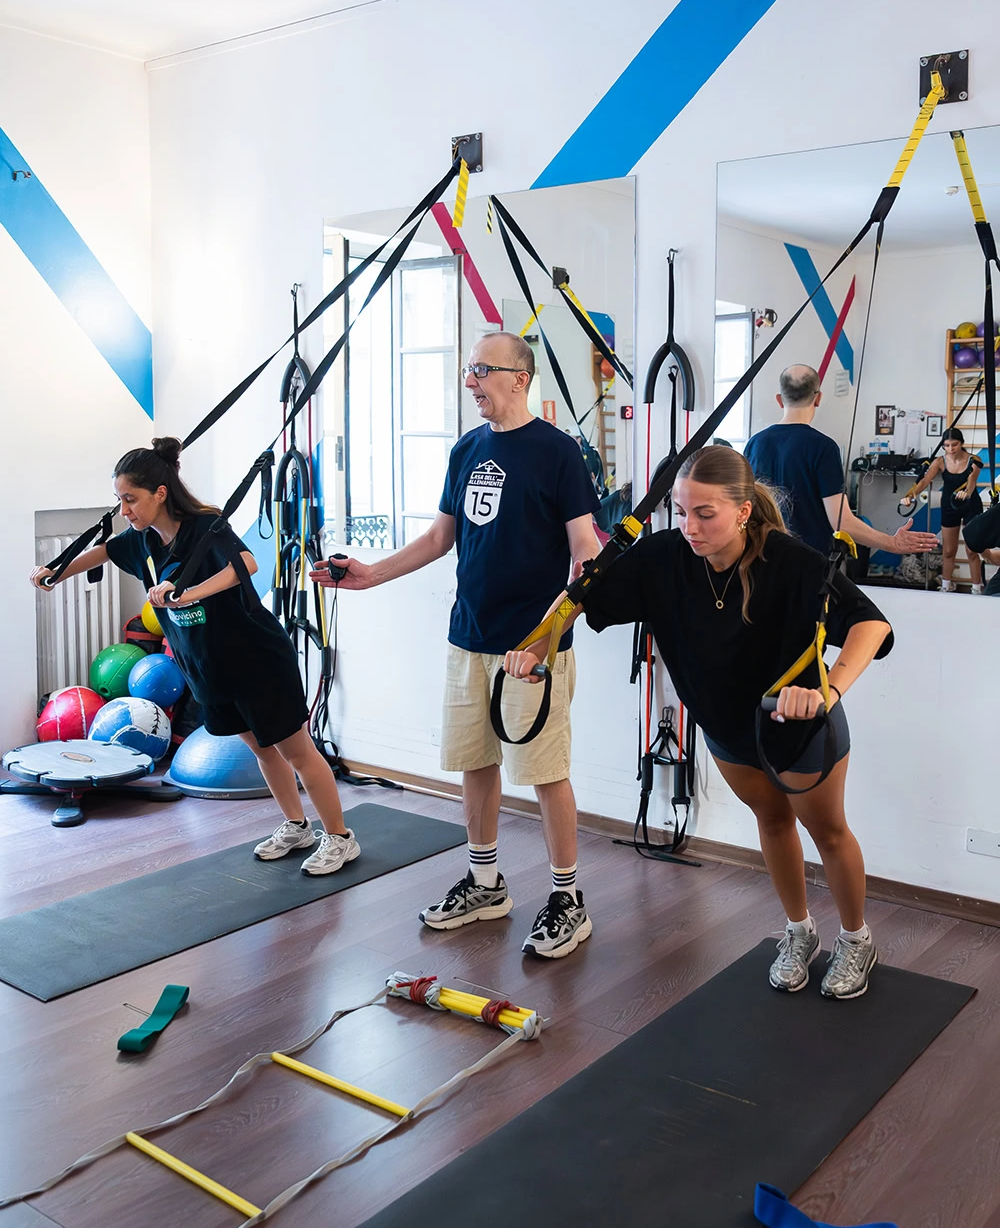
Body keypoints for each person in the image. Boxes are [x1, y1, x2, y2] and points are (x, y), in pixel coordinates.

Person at [506, 446, 892, 999]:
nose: (689, 526)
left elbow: (870, 625)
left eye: (704, 513)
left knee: (828, 832)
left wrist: (826, 689)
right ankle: (799, 932)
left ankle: (856, 938)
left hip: (798, 725)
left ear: (741, 511)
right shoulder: (664, 556)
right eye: (682, 511)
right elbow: (580, 596)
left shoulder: (788, 560)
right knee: (773, 822)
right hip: (725, 727)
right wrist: (538, 643)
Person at [312, 331, 602, 958]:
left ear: (519, 378)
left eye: (480, 370)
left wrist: (546, 638)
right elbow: (441, 537)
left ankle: (566, 898)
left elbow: (588, 553)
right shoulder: (467, 449)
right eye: (468, 370)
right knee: (476, 763)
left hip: (533, 650)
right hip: (468, 636)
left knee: (545, 773)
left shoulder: (559, 453)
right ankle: (484, 882)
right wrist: (370, 573)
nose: (470, 381)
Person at [29, 438, 360, 876]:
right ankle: (296, 826)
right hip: (207, 664)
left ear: (160, 493)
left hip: (255, 658)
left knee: (296, 750)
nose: (124, 510)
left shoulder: (205, 527)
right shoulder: (143, 541)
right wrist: (58, 569)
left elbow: (246, 564)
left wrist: (186, 594)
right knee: (262, 751)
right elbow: (105, 552)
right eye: (120, 500)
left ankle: (340, 837)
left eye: (131, 499)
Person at [745, 364, 939, 560]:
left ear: (779, 399)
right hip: (808, 560)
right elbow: (841, 522)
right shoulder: (823, 447)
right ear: (818, 398)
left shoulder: (754, 444)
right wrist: (891, 543)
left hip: (761, 557)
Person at [900, 429, 984, 592]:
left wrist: (966, 492)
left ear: (962, 443)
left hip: (970, 505)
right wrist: (910, 496)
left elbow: (972, 481)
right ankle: (945, 587)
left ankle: (977, 589)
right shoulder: (940, 462)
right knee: (948, 550)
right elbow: (924, 481)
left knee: (971, 550)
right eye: (947, 445)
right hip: (949, 507)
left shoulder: (974, 460)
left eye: (955, 445)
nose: (951, 449)